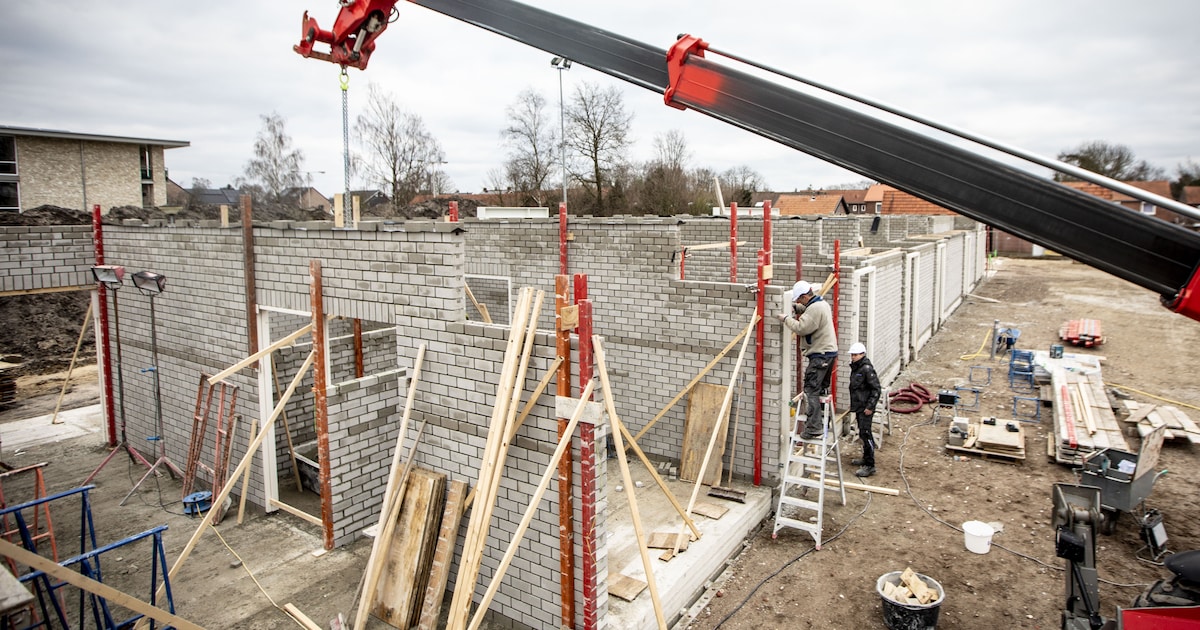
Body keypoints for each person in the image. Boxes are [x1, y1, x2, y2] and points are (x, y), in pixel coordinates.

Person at [777, 280, 838, 440]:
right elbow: (808, 311)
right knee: (820, 390)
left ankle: (813, 428)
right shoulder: (820, 303)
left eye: (799, 300)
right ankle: (824, 420)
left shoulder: (815, 309)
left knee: (811, 390)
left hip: (820, 356)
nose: (798, 302)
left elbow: (801, 328)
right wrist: (797, 309)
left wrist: (785, 319)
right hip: (828, 354)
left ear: (805, 296)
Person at [847, 342, 881, 478]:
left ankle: (870, 465)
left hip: (865, 409)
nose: (853, 357)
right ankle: (866, 458)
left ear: (862, 354)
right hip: (860, 407)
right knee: (862, 433)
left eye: (855, 355)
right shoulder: (857, 368)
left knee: (866, 434)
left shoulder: (866, 369)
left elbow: (876, 389)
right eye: (852, 355)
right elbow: (856, 389)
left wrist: (870, 407)